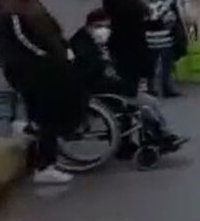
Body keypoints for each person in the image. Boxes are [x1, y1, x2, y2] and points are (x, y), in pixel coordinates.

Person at [0, 0, 87, 184]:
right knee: (49, 113)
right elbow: (24, 40)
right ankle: (44, 166)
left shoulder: (33, 7)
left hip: (43, 66)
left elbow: (52, 33)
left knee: (51, 110)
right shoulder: (12, 10)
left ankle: (29, 130)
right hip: (29, 68)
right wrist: (50, 57)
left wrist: (64, 51)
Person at [70, 9, 188, 152]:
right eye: (101, 27)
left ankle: (158, 134)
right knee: (149, 103)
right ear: (90, 25)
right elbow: (91, 71)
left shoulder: (88, 41)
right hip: (101, 89)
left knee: (146, 103)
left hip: (106, 85)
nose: (105, 31)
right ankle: (160, 135)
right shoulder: (82, 44)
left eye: (107, 27)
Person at [102, 0, 152, 97]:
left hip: (136, 42)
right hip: (124, 44)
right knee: (127, 82)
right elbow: (122, 13)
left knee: (135, 83)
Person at [145, 0, 180, 98]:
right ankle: (167, 89)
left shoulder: (146, 6)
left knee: (151, 66)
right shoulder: (163, 7)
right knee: (166, 67)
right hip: (164, 40)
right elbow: (170, 21)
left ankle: (151, 89)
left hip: (150, 40)